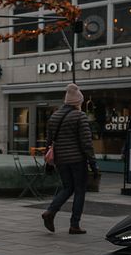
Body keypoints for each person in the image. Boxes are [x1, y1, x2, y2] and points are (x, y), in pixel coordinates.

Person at [42, 83, 99, 235]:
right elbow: (86, 143)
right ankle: (74, 225)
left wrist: (47, 161)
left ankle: (50, 211)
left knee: (67, 187)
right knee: (80, 190)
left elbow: (48, 141)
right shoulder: (80, 116)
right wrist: (93, 164)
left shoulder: (54, 116)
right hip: (77, 160)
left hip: (60, 159)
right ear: (78, 102)